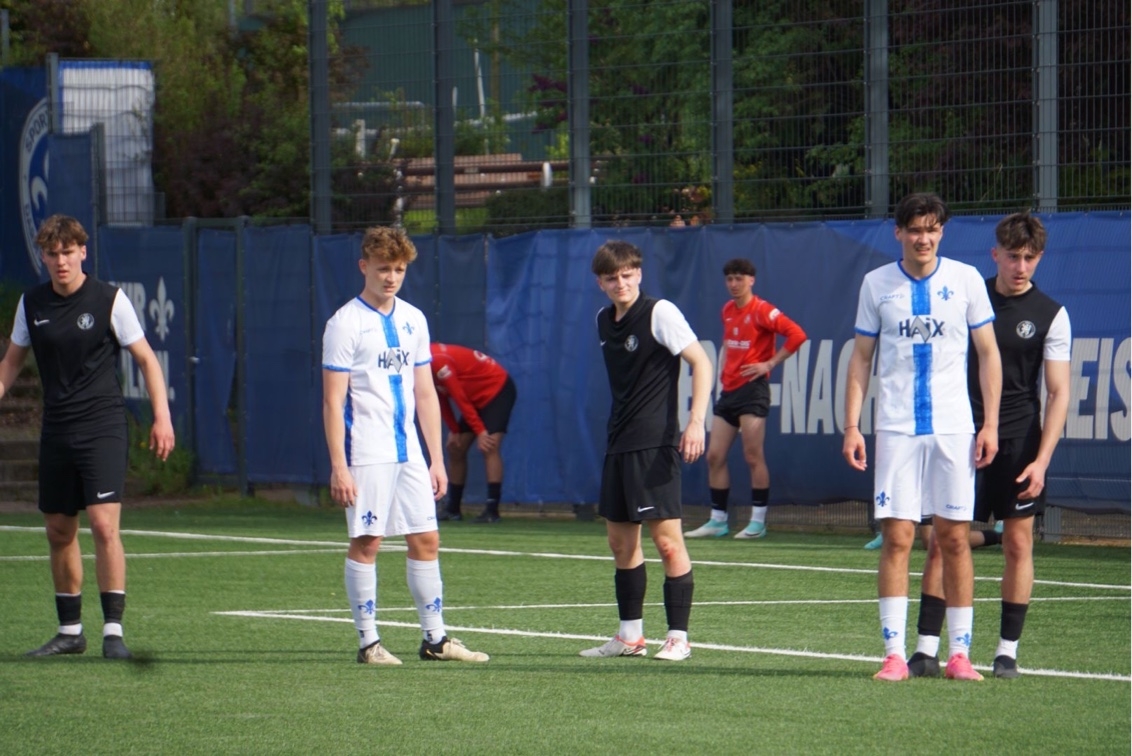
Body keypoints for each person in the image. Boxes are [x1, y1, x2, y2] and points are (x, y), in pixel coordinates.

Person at [842, 192, 1002, 682]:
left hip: (954, 429)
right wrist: (852, 425)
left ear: (942, 232)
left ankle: (960, 655)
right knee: (898, 538)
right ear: (899, 233)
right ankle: (894, 655)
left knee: (954, 538)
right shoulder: (876, 284)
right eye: (915, 229)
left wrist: (990, 423)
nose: (923, 238)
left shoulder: (966, 280)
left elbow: (988, 354)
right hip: (896, 428)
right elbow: (861, 359)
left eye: (932, 229)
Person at [1, 214, 175, 660]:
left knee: (102, 524)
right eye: (52, 253)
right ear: (43, 257)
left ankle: (113, 633)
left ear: (83, 252)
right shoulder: (31, 304)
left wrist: (162, 417)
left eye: (67, 252)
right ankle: (70, 632)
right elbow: (11, 363)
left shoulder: (109, 300)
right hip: (57, 428)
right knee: (58, 529)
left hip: (102, 426)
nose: (61, 261)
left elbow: (147, 360)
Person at [908, 212, 1070, 680]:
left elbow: (1058, 392)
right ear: (994, 254)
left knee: (1019, 543)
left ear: (1039, 258)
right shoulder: (965, 298)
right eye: (1013, 256)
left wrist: (1042, 461)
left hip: (1019, 442)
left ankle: (1006, 654)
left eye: (1030, 258)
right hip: (959, 434)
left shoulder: (1052, 314)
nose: (1021, 266)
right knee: (940, 540)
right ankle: (925, 651)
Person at [322, 226, 488, 666]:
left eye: (398, 269)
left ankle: (435, 639)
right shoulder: (344, 323)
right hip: (367, 450)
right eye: (383, 269)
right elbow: (333, 400)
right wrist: (339, 465)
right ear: (364, 267)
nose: (391, 277)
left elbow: (426, 392)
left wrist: (436, 459)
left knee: (427, 538)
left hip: (408, 451)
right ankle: (368, 643)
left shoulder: (414, 318)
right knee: (368, 541)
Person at [580, 240, 713, 662]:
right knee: (620, 544)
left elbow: (701, 362)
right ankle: (630, 637)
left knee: (668, 543)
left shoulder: (660, 312)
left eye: (627, 275)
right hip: (618, 442)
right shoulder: (603, 320)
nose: (620, 283)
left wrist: (695, 421)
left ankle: (678, 638)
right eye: (611, 278)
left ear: (638, 273)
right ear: (600, 283)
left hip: (656, 444)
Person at [685, 258, 807, 539]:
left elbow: (797, 334)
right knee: (714, 456)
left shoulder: (762, 310)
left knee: (753, 456)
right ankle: (718, 521)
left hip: (753, 391)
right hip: (729, 391)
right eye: (729, 279)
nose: (733, 284)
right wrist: (724, 372)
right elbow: (729, 342)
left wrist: (769, 364)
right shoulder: (727, 310)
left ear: (751, 280)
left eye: (739, 278)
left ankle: (758, 522)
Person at [430, 343, 517, 523]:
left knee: (489, 446)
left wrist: (481, 432)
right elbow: (439, 399)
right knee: (456, 448)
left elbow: (459, 397)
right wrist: (454, 430)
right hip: (475, 399)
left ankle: (492, 510)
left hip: (497, 390)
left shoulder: (438, 361)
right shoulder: (420, 366)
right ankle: (453, 509)